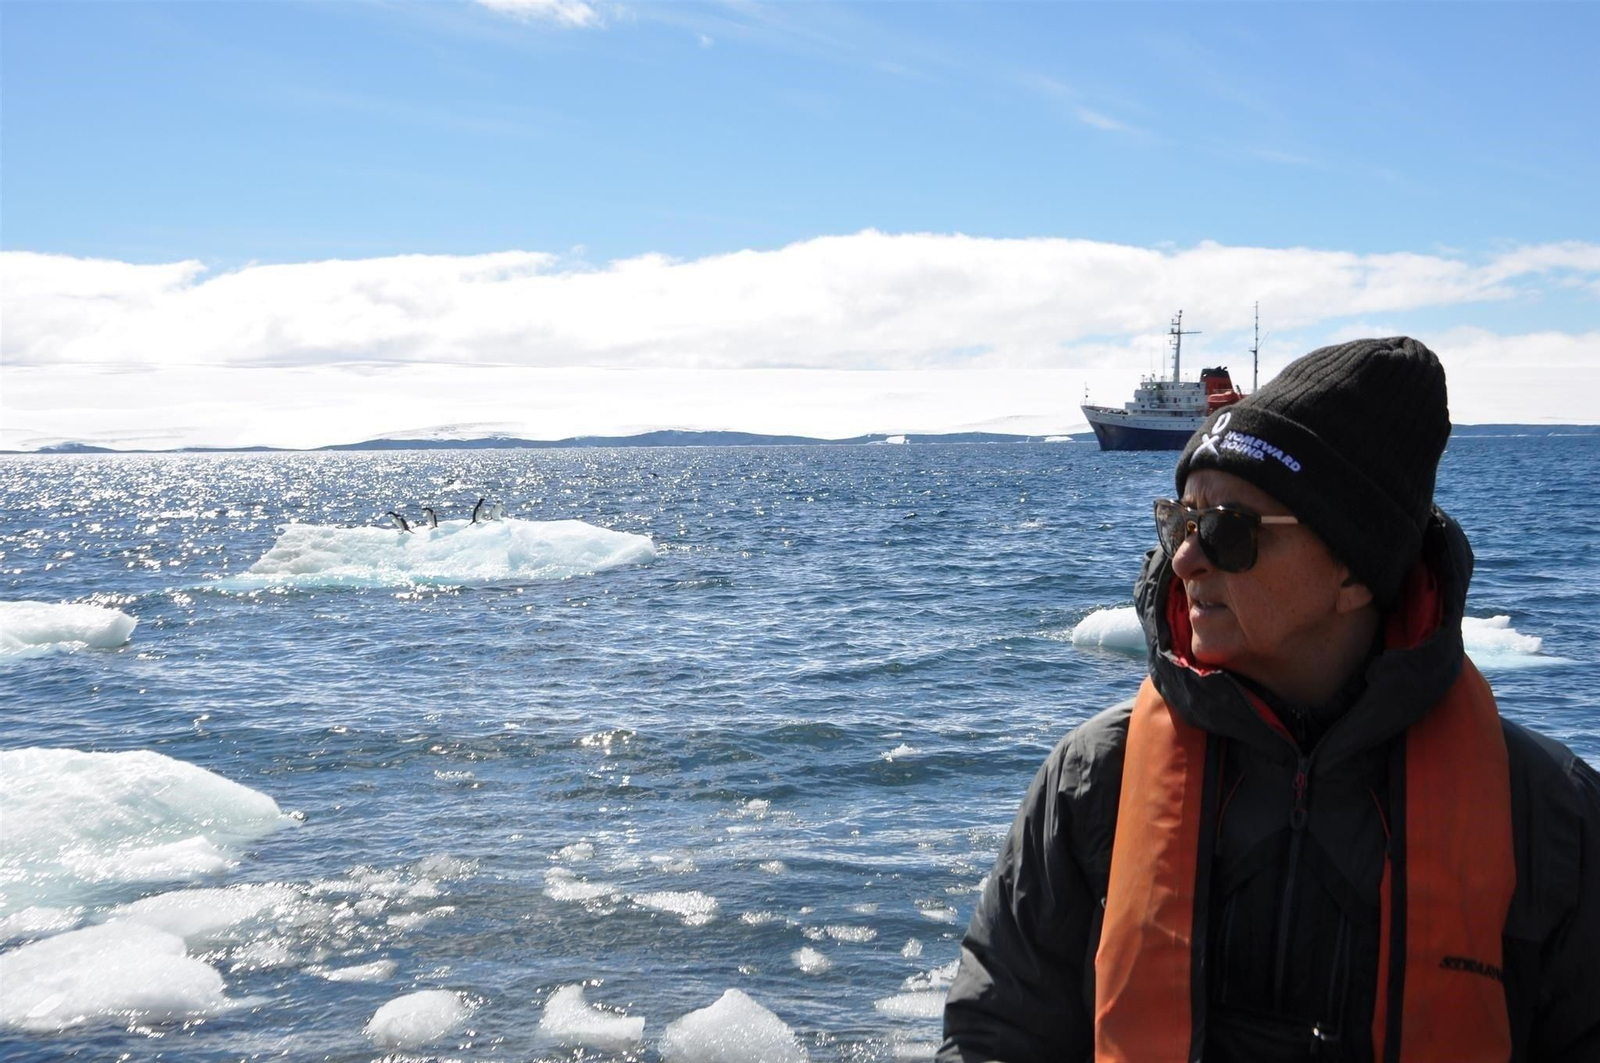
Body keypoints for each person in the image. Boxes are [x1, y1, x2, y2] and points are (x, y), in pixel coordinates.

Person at [940, 338, 1600, 1062]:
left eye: (1229, 530)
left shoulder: (1551, 819)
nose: (1184, 559)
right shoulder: (1092, 782)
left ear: (1357, 572)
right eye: (1179, 521)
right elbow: (995, 1038)